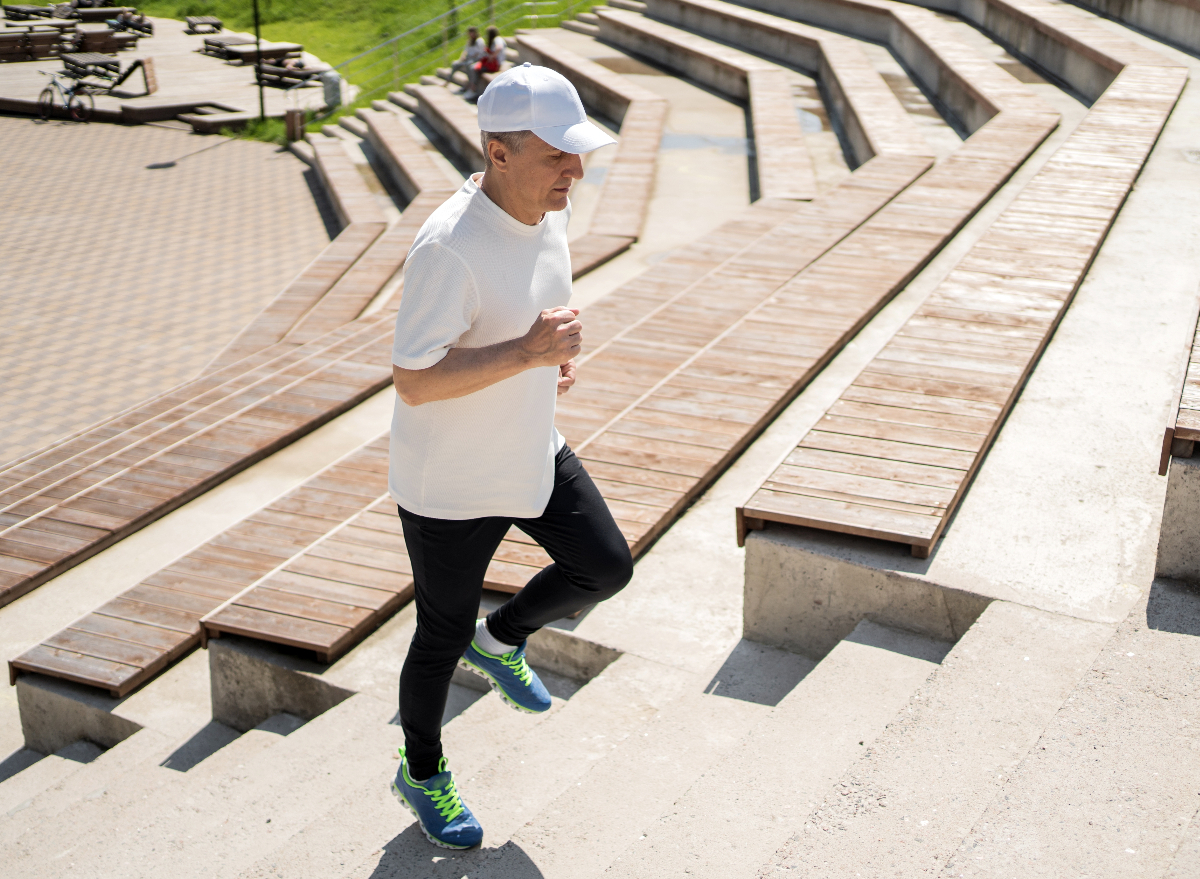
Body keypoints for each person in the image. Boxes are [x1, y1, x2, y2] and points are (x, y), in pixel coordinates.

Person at [387, 64, 628, 850]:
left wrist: (544, 359)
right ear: (498, 152)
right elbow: (414, 381)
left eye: (577, 152)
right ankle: (421, 770)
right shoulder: (446, 248)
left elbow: (522, 322)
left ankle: (506, 636)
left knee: (605, 567)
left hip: (530, 444)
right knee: (438, 634)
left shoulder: (547, 213)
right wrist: (524, 352)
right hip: (450, 486)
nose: (576, 170)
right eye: (559, 154)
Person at [465, 25, 506, 100]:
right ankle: (471, 87)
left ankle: (472, 89)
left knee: (474, 69)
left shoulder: (497, 39)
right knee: (472, 67)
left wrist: (491, 56)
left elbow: (499, 47)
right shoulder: (496, 39)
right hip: (493, 64)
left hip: (495, 65)